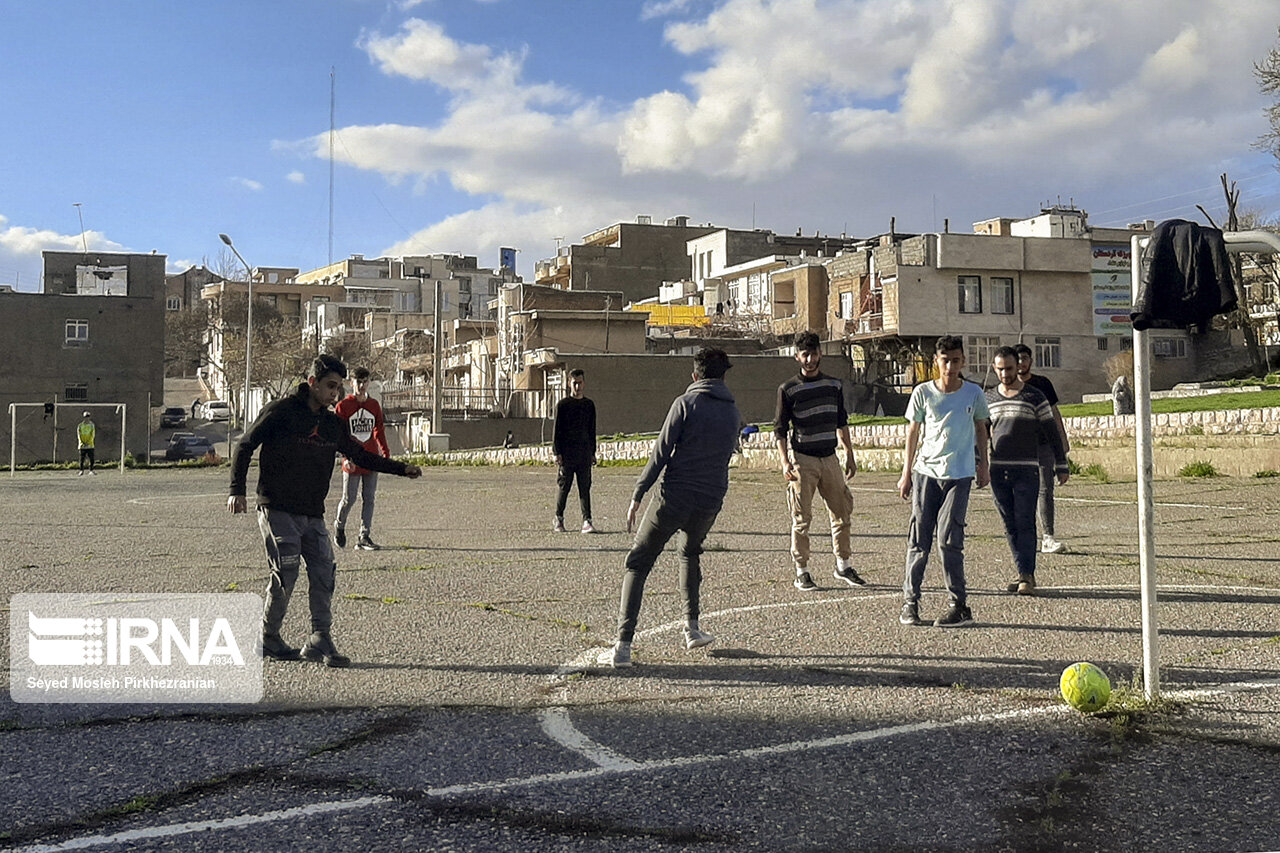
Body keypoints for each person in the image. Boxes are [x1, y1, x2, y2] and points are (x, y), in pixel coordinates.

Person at [228, 355, 422, 667]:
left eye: (339, 387)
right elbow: (245, 445)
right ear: (312, 383)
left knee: (323, 572)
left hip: (312, 514)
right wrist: (236, 490)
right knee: (286, 573)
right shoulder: (282, 411)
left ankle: (320, 638)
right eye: (331, 386)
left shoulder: (332, 424)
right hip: (277, 508)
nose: (336, 393)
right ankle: (269, 638)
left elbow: (361, 455)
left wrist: (401, 469)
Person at [610, 348, 741, 668]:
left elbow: (660, 454)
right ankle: (692, 628)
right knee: (690, 552)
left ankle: (623, 645)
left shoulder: (684, 404)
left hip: (675, 496)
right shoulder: (734, 411)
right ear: (724, 376)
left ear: (695, 376)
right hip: (711, 500)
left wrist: (638, 494)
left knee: (638, 562)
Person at [898, 336, 990, 628]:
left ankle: (959, 604)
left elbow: (981, 428)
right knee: (919, 541)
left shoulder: (973, 393)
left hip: (959, 474)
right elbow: (913, 432)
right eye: (944, 360)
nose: (950, 366)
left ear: (963, 361)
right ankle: (910, 601)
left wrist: (984, 465)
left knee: (949, 541)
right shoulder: (923, 393)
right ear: (936, 362)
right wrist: (906, 473)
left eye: (955, 360)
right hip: (926, 473)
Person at [774, 330, 865, 591]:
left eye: (814, 354)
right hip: (804, 460)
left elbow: (841, 422)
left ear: (820, 354)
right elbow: (780, 429)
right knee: (801, 518)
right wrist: (785, 462)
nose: (810, 359)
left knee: (842, 512)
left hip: (830, 458)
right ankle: (802, 570)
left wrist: (849, 454)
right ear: (796, 357)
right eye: (805, 354)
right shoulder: (788, 389)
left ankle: (843, 565)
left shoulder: (834, 385)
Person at [986, 347, 1069, 597]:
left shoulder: (1034, 397)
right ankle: (1021, 569)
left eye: (1009, 368)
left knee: (1025, 521)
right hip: (998, 471)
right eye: (1000, 369)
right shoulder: (987, 398)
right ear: (994, 368)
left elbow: (1051, 430)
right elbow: (979, 433)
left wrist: (1061, 463)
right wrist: (978, 462)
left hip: (1027, 469)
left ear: (1018, 367)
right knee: (1009, 523)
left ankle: (1027, 575)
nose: (1005, 374)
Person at [1013, 343, 1071, 554]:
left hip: (1044, 445)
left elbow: (1055, 413)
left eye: (1025, 358)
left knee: (1045, 490)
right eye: (1018, 359)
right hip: (1018, 448)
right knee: (1021, 492)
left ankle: (1048, 536)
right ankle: (1023, 536)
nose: (1021, 363)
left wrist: (1062, 443)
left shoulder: (1042, 384)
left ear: (1031, 361)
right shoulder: (1008, 386)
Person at [334, 367, 390, 551]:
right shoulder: (343, 407)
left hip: (371, 457)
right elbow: (338, 435)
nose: (362, 385)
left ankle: (364, 535)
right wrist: (345, 456)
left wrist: (385, 453)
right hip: (352, 459)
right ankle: (339, 526)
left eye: (365, 381)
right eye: (358, 381)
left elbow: (378, 430)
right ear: (352, 383)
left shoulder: (374, 405)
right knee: (349, 498)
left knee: (369, 498)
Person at [552, 368, 597, 533]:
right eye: (574, 383)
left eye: (580, 382)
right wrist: (557, 452)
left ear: (584, 383)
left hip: (584, 453)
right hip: (567, 454)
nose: (577, 386)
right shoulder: (563, 405)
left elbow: (592, 430)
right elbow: (557, 430)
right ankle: (558, 518)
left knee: (584, 487)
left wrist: (593, 452)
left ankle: (587, 520)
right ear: (569, 383)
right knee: (565, 486)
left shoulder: (589, 405)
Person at [77, 412, 96, 476]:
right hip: (82, 445)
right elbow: (79, 435)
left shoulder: (92, 425)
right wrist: (82, 442)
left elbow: (92, 435)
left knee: (91, 459)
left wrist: (88, 443)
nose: (87, 418)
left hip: (90, 445)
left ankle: (91, 470)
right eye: (85, 417)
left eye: (88, 417)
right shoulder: (80, 425)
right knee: (82, 459)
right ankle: (81, 470)